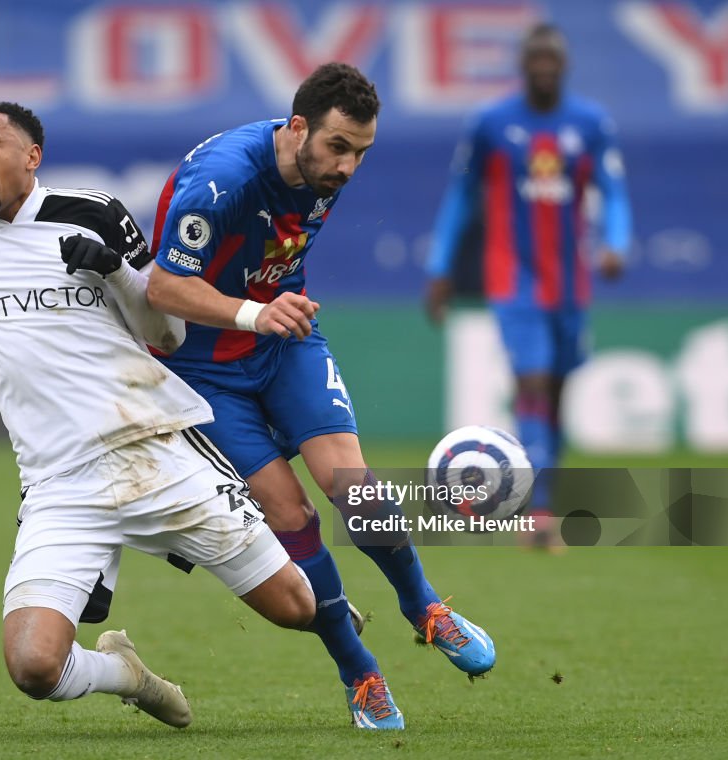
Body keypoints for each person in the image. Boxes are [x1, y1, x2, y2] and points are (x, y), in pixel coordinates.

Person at [0, 101, 316, 730]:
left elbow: (167, 335)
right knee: (33, 668)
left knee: (296, 608)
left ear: (32, 156)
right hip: (60, 486)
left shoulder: (95, 214)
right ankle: (128, 675)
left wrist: (115, 272)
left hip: (153, 452)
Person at [146, 62, 495, 730]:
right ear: (297, 127)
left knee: (353, 487)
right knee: (290, 511)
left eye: (361, 152)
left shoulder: (321, 170)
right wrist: (254, 313)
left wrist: (269, 313)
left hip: (284, 343)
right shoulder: (222, 180)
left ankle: (423, 605)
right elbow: (162, 287)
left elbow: (274, 254)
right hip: (202, 372)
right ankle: (360, 673)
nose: (347, 167)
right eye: (338, 147)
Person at [424, 24, 632, 546]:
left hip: (570, 281)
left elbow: (613, 191)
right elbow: (460, 195)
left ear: (563, 65)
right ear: (522, 65)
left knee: (557, 389)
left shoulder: (590, 123)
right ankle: (538, 513)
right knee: (533, 380)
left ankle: (544, 495)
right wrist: (440, 266)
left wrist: (616, 242)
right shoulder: (492, 123)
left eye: (550, 59)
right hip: (512, 276)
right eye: (535, 58)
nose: (543, 67)